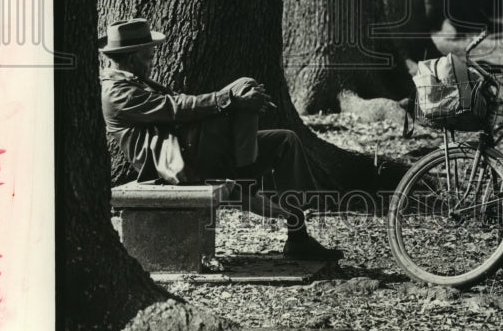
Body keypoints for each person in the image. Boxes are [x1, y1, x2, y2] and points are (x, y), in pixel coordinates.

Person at [99, 17, 343, 261]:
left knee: (285, 140)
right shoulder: (116, 92)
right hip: (176, 162)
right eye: (149, 55)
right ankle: (246, 180)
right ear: (132, 58)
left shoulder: (133, 81)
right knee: (243, 86)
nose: (154, 60)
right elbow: (175, 108)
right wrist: (232, 101)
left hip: (191, 147)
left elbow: (179, 106)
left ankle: (298, 236)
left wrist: (239, 102)